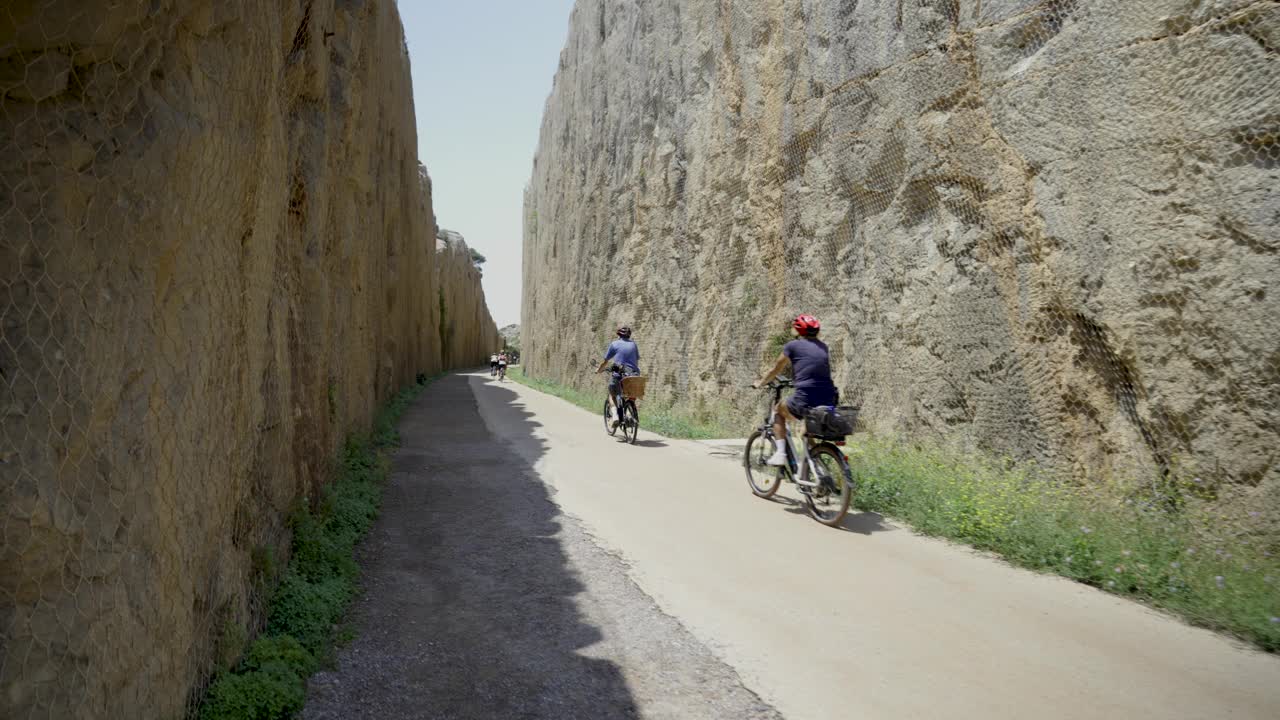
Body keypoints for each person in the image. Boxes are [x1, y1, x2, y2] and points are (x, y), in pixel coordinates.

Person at [752, 314, 836, 466]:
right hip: (829, 396)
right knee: (806, 431)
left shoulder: (792, 346)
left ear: (798, 330)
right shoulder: (823, 346)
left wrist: (761, 382)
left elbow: (775, 369)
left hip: (806, 396)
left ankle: (781, 454)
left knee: (778, 411)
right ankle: (816, 466)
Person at [595, 325, 640, 427]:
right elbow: (636, 361)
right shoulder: (634, 345)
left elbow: (605, 361)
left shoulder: (614, 344)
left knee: (612, 394)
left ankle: (615, 416)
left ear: (619, 335)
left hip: (619, 375)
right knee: (630, 395)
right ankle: (629, 413)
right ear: (629, 335)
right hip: (633, 375)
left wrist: (598, 370)